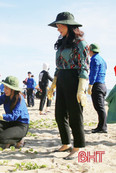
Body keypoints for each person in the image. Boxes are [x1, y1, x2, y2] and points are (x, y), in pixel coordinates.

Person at [47, 12, 89, 160]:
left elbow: (84, 66)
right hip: (62, 79)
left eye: (60, 25)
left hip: (74, 79)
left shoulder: (80, 43)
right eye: (57, 26)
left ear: (69, 26)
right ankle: (66, 143)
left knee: (75, 116)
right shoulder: (61, 42)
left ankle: (78, 146)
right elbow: (58, 66)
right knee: (59, 114)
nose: (58, 28)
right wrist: (53, 84)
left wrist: (81, 88)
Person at [88, 43, 107, 133]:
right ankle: (101, 126)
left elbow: (93, 73)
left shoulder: (94, 59)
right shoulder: (102, 59)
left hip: (97, 85)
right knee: (100, 107)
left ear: (91, 51)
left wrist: (90, 85)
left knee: (99, 107)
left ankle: (102, 127)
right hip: (103, 85)